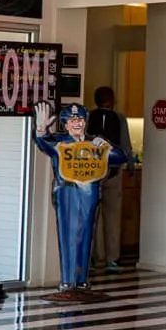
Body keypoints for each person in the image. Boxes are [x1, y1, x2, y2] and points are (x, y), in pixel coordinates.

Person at [34, 101, 127, 298]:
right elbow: (43, 143)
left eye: (81, 120)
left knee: (85, 235)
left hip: (90, 191)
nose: (78, 124)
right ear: (65, 124)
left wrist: (108, 147)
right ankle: (68, 280)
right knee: (68, 235)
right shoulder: (60, 142)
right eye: (73, 120)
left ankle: (81, 280)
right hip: (67, 191)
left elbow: (120, 157)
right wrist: (41, 129)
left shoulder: (95, 142)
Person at [87, 86, 135, 272]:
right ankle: (111, 259)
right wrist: (130, 165)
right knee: (112, 217)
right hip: (113, 172)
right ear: (113, 100)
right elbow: (125, 145)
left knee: (91, 217)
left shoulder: (89, 117)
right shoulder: (120, 118)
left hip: (92, 175)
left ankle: (91, 258)